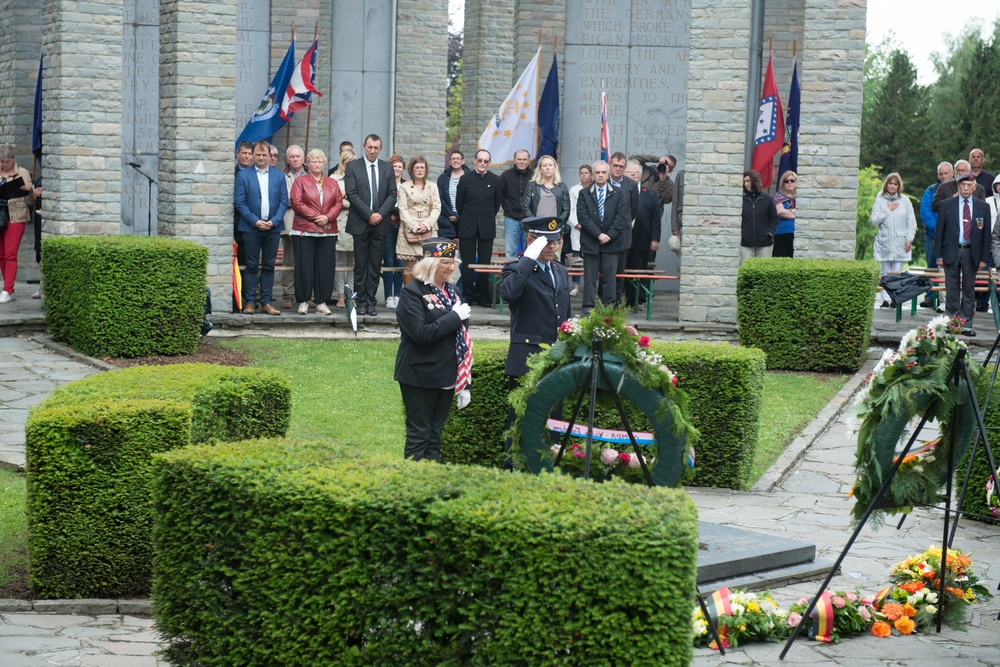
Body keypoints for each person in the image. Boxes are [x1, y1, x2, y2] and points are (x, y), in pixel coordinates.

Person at [500, 218, 572, 468]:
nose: (552, 246)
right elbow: (508, 293)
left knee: (554, 422)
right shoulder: (515, 269)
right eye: (545, 241)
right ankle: (512, 470)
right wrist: (527, 260)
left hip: (555, 361)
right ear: (531, 240)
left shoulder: (560, 270)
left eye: (556, 241)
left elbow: (565, 317)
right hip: (527, 359)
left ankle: (547, 470)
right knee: (521, 420)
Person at [394, 238, 473, 462]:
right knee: (419, 434)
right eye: (445, 262)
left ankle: (432, 483)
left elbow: (462, 330)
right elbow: (421, 334)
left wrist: (464, 380)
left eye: (453, 262)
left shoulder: (453, 291)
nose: (451, 267)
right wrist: (454, 317)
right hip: (420, 375)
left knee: (435, 436)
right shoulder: (412, 293)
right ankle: (414, 486)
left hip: (447, 373)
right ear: (430, 263)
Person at [345, 134, 397, 316]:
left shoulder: (387, 168)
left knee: (375, 266)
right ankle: (359, 301)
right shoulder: (353, 166)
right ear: (364, 147)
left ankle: (371, 302)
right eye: (369, 147)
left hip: (380, 224)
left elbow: (392, 195)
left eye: (376, 148)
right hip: (360, 223)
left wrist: (379, 215)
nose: (372, 151)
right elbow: (351, 194)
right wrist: (369, 215)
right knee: (360, 265)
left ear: (380, 149)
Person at [234, 140, 288, 315]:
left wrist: (274, 220)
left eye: (264, 155)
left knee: (268, 266)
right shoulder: (244, 176)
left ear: (269, 156)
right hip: (251, 228)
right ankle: (250, 302)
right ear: (253, 155)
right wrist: (255, 221)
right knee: (251, 266)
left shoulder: (279, 176)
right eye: (257, 154)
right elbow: (240, 203)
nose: (261, 158)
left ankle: (266, 302)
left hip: (273, 227)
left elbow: (283, 202)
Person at [289, 148, 343, 316]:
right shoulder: (300, 181)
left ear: (324, 163)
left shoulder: (332, 183)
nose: (317, 164)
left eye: (320, 161)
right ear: (308, 164)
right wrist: (316, 217)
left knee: (325, 268)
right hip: (304, 230)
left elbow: (339, 203)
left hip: (327, 231)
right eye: (313, 161)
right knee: (304, 267)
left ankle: (321, 302)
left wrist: (327, 217)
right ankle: (304, 302)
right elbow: (296, 202)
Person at [936, 172, 991, 336]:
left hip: (971, 253)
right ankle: (952, 322)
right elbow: (939, 232)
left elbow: (986, 234)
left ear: (974, 188)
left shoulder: (983, 206)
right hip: (951, 251)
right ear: (958, 186)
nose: (966, 188)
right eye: (963, 185)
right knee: (952, 289)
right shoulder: (947, 205)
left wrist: (984, 258)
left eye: (969, 186)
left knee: (968, 290)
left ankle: (966, 324)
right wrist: (939, 255)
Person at [577, 160, 628, 310]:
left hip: (612, 243)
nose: (600, 175)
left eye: (603, 172)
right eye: (597, 172)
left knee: (609, 278)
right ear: (592, 174)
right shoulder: (584, 193)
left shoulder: (618, 193)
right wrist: (599, 235)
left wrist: (609, 235)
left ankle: (609, 309)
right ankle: (588, 308)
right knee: (590, 278)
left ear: (608, 174)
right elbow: (583, 217)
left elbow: (621, 218)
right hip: (590, 241)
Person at [456, 148, 502, 306]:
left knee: (484, 262)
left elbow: (496, 205)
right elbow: (459, 204)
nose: (483, 163)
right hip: (467, 226)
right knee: (467, 263)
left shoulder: (496, 180)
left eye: (486, 161)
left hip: (487, 227)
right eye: (480, 160)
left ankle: (482, 296)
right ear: (475, 161)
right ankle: (468, 295)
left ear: (489, 163)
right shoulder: (465, 179)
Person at [871, 172, 917, 309]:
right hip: (884, 241)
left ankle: (894, 299)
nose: (892, 186)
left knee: (896, 272)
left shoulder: (905, 201)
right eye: (890, 183)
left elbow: (911, 222)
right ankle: (884, 299)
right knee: (885, 272)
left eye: (895, 184)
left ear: (899, 186)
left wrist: (909, 239)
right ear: (886, 184)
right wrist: (887, 210)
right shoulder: (879, 199)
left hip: (900, 241)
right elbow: (873, 221)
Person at [396, 156, 441, 290]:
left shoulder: (432, 186)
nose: (420, 170)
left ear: (426, 169)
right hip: (408, 231)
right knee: (409, 267)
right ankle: (410, 298)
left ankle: (426, 297)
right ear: (411, 169)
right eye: (417, 167)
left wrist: (426, 225)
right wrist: (415, 226)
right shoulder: (404, 187)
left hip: (429, 229)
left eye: (422, 167)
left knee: (427, 266)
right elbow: (402, 209)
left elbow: (437, 208)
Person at [0, 144, 38, 302]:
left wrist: (30, 190)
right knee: (1, 255)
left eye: (7, 161)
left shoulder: (22, 173)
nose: (3, 164)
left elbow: (32, 199)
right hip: (0, 215)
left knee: (10, 253)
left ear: (13, 159)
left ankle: (7, 289)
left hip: (16, 217)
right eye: (1, 161)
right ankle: (8, 288)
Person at [624, 162, 662, 307]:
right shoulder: (619, 191)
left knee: (639, 271)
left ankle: (638, 300)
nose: (633, 174)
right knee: (623, 271)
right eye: (630, 171)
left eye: (636, 171)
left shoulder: (650, 194)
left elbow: (655, 219)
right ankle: (626, 300)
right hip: (623, 239)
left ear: (641, 175)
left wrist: (655, 239)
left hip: (642, 239)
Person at [919, 162, 952, 308]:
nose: (943, 176)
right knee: (932, 265)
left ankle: (949, 297)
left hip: (952, 236)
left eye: (946, 173)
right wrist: (937, 229)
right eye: (941, 174)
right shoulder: (931, 190)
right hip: (933, 235)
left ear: (952, 173)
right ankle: (929, 295)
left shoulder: (958, 189)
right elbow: (925, 212)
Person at [280, 144, 306, 310]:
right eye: (292, 157)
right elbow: (285, 199)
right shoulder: (282, 176)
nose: (295, 159)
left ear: (303, 159)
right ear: (288, 159)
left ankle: (304, 295)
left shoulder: (312, 173)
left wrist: (298, 201)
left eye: (298, 156)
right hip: (290, 223)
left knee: (307, 261)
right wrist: (303, 201)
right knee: (289, 260)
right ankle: (288, 295)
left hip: (309, 224)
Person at [330, 148, 356, 308]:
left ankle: (350, 295)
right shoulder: (334, 178)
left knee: (353, 263)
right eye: (348, 163)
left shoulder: (360, 177)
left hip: (355, 224)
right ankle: (340, 295)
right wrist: (345, 199)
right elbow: (333, 201)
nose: (350, 166)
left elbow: (363, 201)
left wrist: (347, 197)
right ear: (342, 163)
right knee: (340, 262)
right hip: (339, 224)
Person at [521, 155, 570, 231]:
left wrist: (557, 225)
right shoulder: (532, 186)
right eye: (544, 165)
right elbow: (525, 207)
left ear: (555, 168)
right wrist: (535, 223)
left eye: (550, 165)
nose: (548, 168)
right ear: (540, 169)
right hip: (535, 229)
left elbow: (566, 210)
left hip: (555, 229)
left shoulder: (562, 187)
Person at [739, 169, 778, 264]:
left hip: (765, 242)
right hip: (745, 242)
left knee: (763, 270)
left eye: (748, 181)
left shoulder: (768, 199)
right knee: (745, 269)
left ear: (755, 181)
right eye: (744, 181)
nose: (745, 184)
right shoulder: (741, 200)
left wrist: (770, 232)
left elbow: (774, 218)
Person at [383, 155, 406, 309]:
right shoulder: (385, 183)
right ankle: (387, 296)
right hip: (387, 225)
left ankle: (397, 294)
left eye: (399, 166)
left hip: (403, 227)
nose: (397, 169)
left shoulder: (407, 185)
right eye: (394, 166)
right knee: (389, 260)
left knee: (401, 261)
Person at [500, 149, 533, 257]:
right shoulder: (506, 175)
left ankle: (528, 273)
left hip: (529, 219)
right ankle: (511, 273)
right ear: (514, 160)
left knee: (530, 251)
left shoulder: (534, 176)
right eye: (519, 159)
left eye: (524, 159)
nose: (521, 162)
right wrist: (508, 208)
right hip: (511, 218)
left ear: (528, 161)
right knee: (510, 251)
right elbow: (502, 195)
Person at [566, 164, 593, 295]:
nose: (583, 175)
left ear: (591, 175)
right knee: (576, 258)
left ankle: (590, 285)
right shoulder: (574, 190)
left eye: (586, 173)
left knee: (589, 259)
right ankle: (576, 286)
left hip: (592, 230)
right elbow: (571, 209)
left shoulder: (595, 188)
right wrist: (577, 224)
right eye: (581, 173)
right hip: (577, 229)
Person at [437, 150, 469, 241]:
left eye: (458, 158)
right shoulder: (442, 178)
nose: (455, 161)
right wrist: (452, 214)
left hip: (465, 220)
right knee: (446, 251)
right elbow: (441, 199)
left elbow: (470, 200)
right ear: (450, 161)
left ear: (463, 161)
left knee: (465, 252)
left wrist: (458, 216)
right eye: (453, 159)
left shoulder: (470, 177)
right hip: (447, 219)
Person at [772, 171, 797, 258]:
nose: (789, 182)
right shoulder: (778, 196)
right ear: (783, 183)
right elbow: (780, 212)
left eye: (792, 180)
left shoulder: (803, 197)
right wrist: (795, 212)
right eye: (786, 181)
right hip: (781, 234)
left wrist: (790, 212)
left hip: (798, 234)